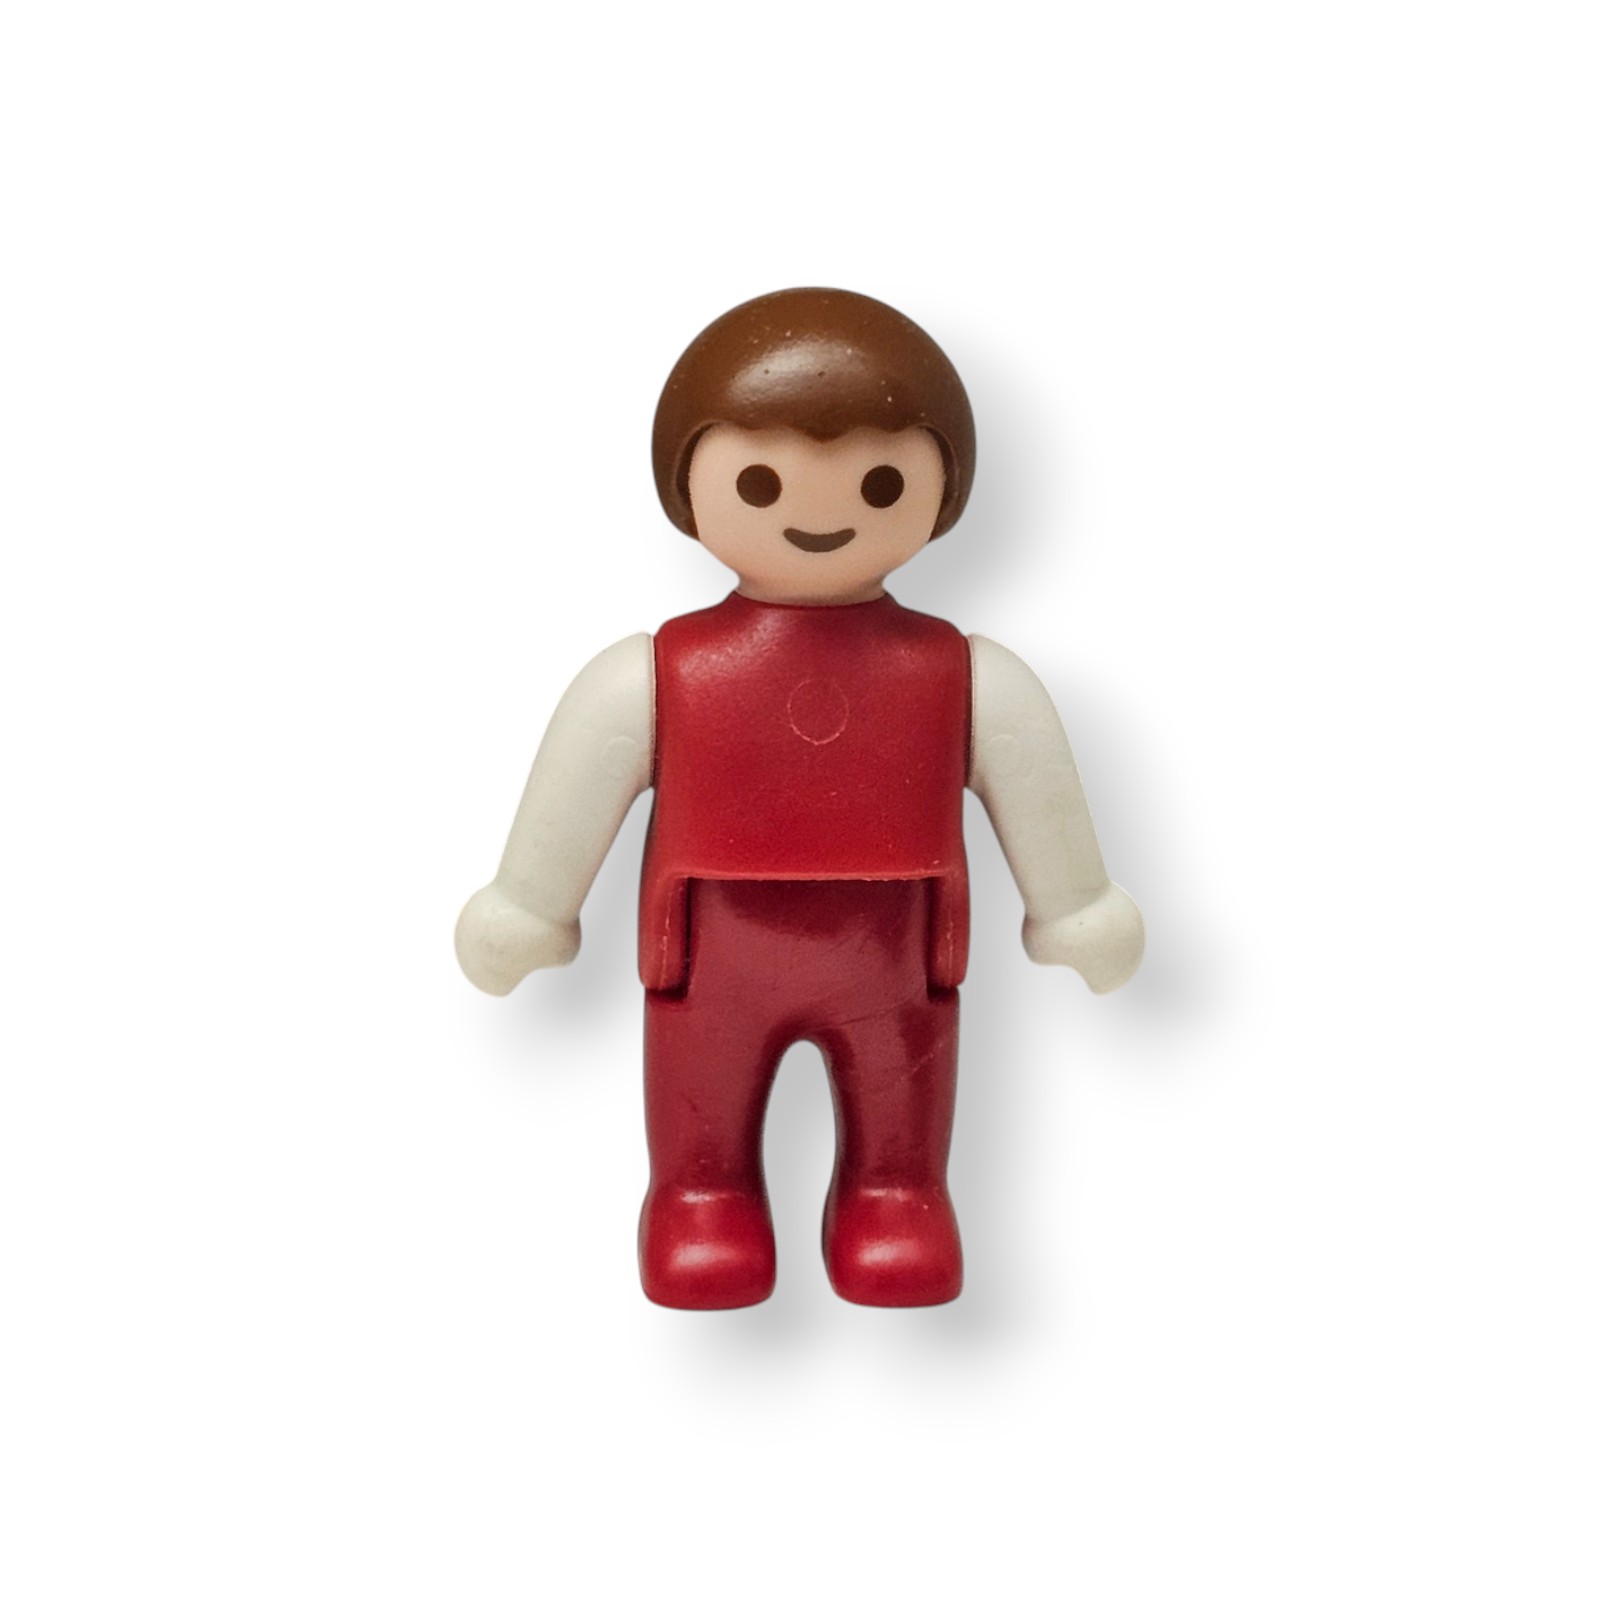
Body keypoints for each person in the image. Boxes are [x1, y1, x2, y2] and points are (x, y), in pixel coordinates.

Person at [456, 288, 1144, 1310]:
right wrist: (530, 902)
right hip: (710, 954)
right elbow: (585, 771)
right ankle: (701, 1199)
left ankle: (895, 1197)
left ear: (942, 490)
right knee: (704, 1098)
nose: (818, 514)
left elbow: (1028, 773)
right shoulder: (658, 674)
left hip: (896, 954)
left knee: (899, 1098)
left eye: (879, 480)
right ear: (687, 485)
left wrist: (1074, 902)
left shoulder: (964, 677)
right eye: (760, 479)